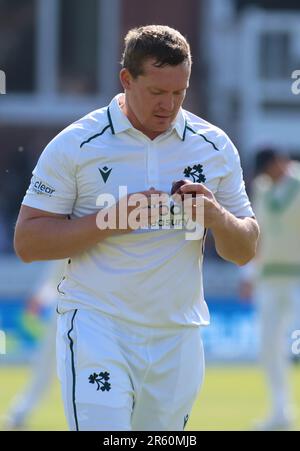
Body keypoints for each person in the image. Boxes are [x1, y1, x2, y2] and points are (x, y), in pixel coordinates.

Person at [14, 25, 259, 431]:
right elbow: (28, 241)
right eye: (157, 93)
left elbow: (245, 249)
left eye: (179, 93)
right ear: (127, 80)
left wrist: (216, 217)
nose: (170, 106)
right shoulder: (76, 144)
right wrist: (111, 220)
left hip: (177, 336)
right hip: (97, 326)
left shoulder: (214, 146)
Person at [240, 149, 300, 430]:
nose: (268, 177)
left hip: (298, 279)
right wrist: (249, 273)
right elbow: (257, 233)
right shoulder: (262, 190)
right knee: (269, 347)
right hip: (269, 280)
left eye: (270, 170)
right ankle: (280, 412)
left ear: (279, 163)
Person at [4, 260, 66, 430]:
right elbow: (55, 273)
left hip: (103, 312)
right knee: (45, 363)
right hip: (65, 308)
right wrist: (39, 297)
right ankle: (20, 412)